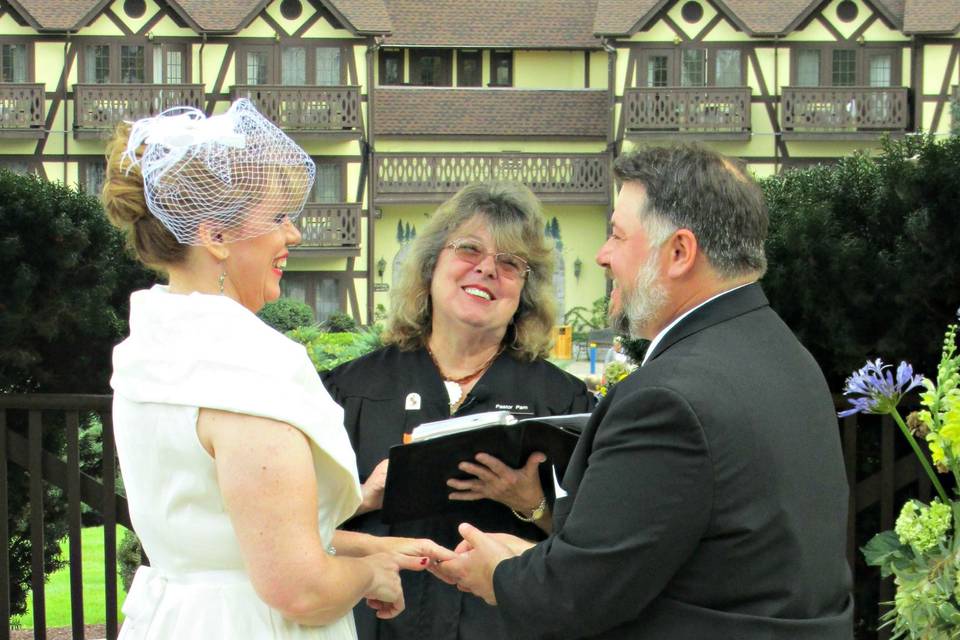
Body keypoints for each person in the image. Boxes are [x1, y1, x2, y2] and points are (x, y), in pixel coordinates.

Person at [438, 145, 854, 639]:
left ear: (679, 253)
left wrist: (499, 577)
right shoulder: (787, 357)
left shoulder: (668, 400)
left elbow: (576, 596)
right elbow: (675, 559)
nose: (603, 254)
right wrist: (539, 559)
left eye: (617, 234)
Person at [104, 99, 452, 640]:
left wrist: (370, 545)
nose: (292, 235)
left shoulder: (152, 344)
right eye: (277, 218)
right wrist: (370, 574)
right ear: (214, 235)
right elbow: (299, 590)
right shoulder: (244, 363)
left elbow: (224, 535)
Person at [321, 181, 594, 640]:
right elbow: (291, 530)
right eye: (469, 249)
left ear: (524, 291)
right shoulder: (349, 389)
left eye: (510, 263)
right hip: (372, 625)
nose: (487, 269)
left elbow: (593, 547)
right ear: (431, 267)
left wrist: (531, 503)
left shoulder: (562, 400)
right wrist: (362, 495)